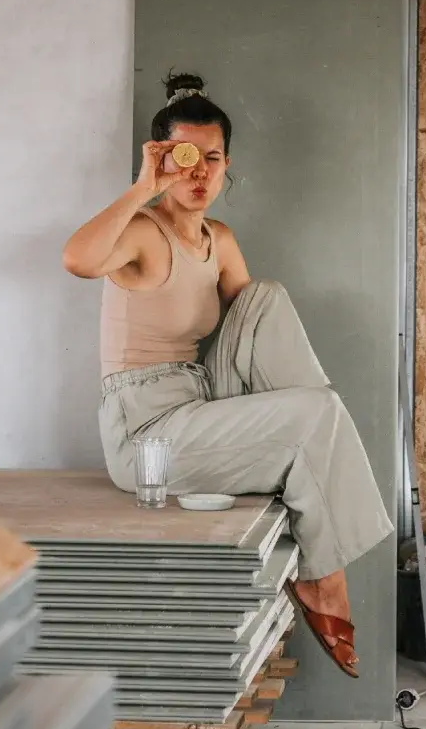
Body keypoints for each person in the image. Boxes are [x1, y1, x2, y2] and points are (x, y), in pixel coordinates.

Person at [62, 73, 393, 676]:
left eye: (210, 159)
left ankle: (310, 444)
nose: (198, 174)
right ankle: (324, 571)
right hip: (146, 438)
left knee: (266, 297)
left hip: (201, 400)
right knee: (316, 415)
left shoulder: (222, 240)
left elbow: (264, 335)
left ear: (225, 164)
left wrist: (301, 406)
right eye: (183, 160)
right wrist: (142, 188)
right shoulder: (140, 231)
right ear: (163, 161)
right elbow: (77, 259)